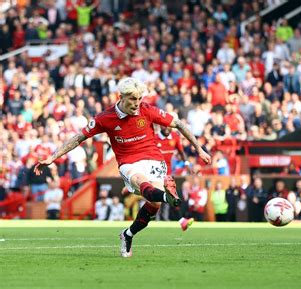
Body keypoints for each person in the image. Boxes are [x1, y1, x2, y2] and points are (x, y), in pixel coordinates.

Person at [34, 77, 211, 258]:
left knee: (154, 204)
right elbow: (79, 137)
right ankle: (170, 197)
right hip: (128, 162)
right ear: (121, 97)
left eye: (139, 98)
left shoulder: (147, 110)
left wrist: (199, 149)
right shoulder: (105, 118)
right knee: (143, 184)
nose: (137, 103)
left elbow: (179, 124)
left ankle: (128, 234)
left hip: (154, 159)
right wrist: (53, 157)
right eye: (133, 99)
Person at [155, 118, 194, 231]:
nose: (167, 128)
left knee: (171, 197)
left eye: (169, 126)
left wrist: (187, 164)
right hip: (154, 174)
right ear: (160, 127)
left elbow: (181, 152)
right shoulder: (154, 138)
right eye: (164, 126)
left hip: (167, 174)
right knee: (158, 199)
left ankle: (181, 221)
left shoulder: (175, 137)